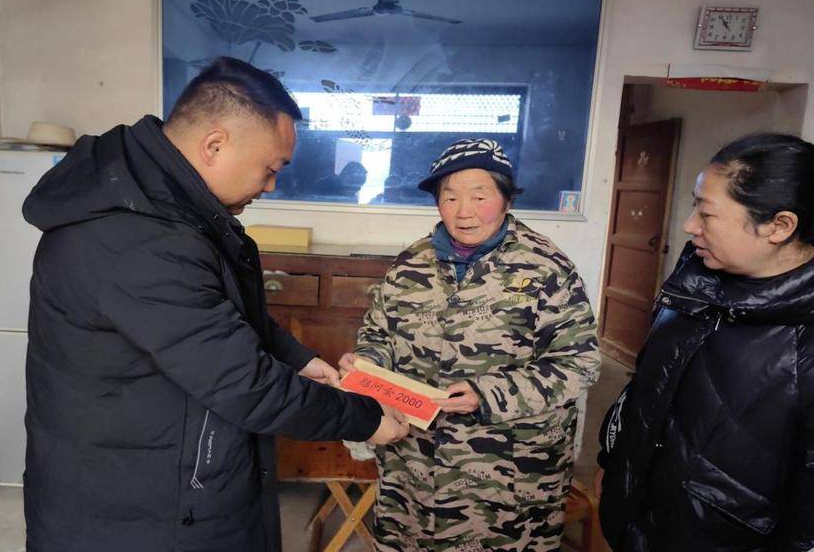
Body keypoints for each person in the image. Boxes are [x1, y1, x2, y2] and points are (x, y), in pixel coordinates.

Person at [21, 57, 409, 552]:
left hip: (163, 470)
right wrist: (366, 419)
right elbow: (246, 384)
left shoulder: (168, 211)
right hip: (139, 508)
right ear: (215, 145)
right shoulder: (138, 238)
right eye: (270, 169)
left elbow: (219, 314)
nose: (271, 186)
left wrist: (297, 357)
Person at [339, 138, 601, 551]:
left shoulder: (547, 269)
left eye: (480, 196)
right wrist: (367, 363)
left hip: (508, 473)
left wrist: (488, 393)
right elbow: (378, 334)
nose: (464, 211)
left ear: (507, 199)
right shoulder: (410, 265)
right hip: (415, 463)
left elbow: (578, 363)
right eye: (450, 197)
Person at [596, 133, 814, 551]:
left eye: (706, 213)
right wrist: (614, 457)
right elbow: (646, 384)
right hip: (640, 522)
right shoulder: (694, 282)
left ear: (779, 226)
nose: (689, 225)